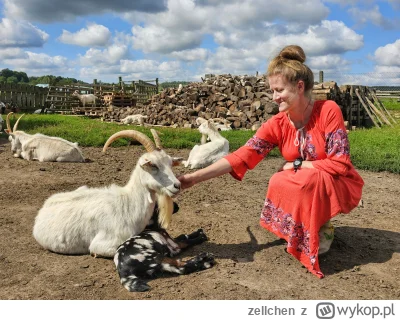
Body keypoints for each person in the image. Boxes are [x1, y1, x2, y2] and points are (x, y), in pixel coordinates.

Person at [178, 45, 364, 278]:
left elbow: (340, 164)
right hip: (310, 181)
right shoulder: (277, 123)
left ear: (299, 86)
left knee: (307, 177)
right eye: (272, 91)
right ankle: (297, 227)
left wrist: (295, 165)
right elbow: (242, 155)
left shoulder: (328, 110)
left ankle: (321, 227)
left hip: (338, 183)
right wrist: (193, 178)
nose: (274, 97)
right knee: (279, 179)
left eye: (279, 90)